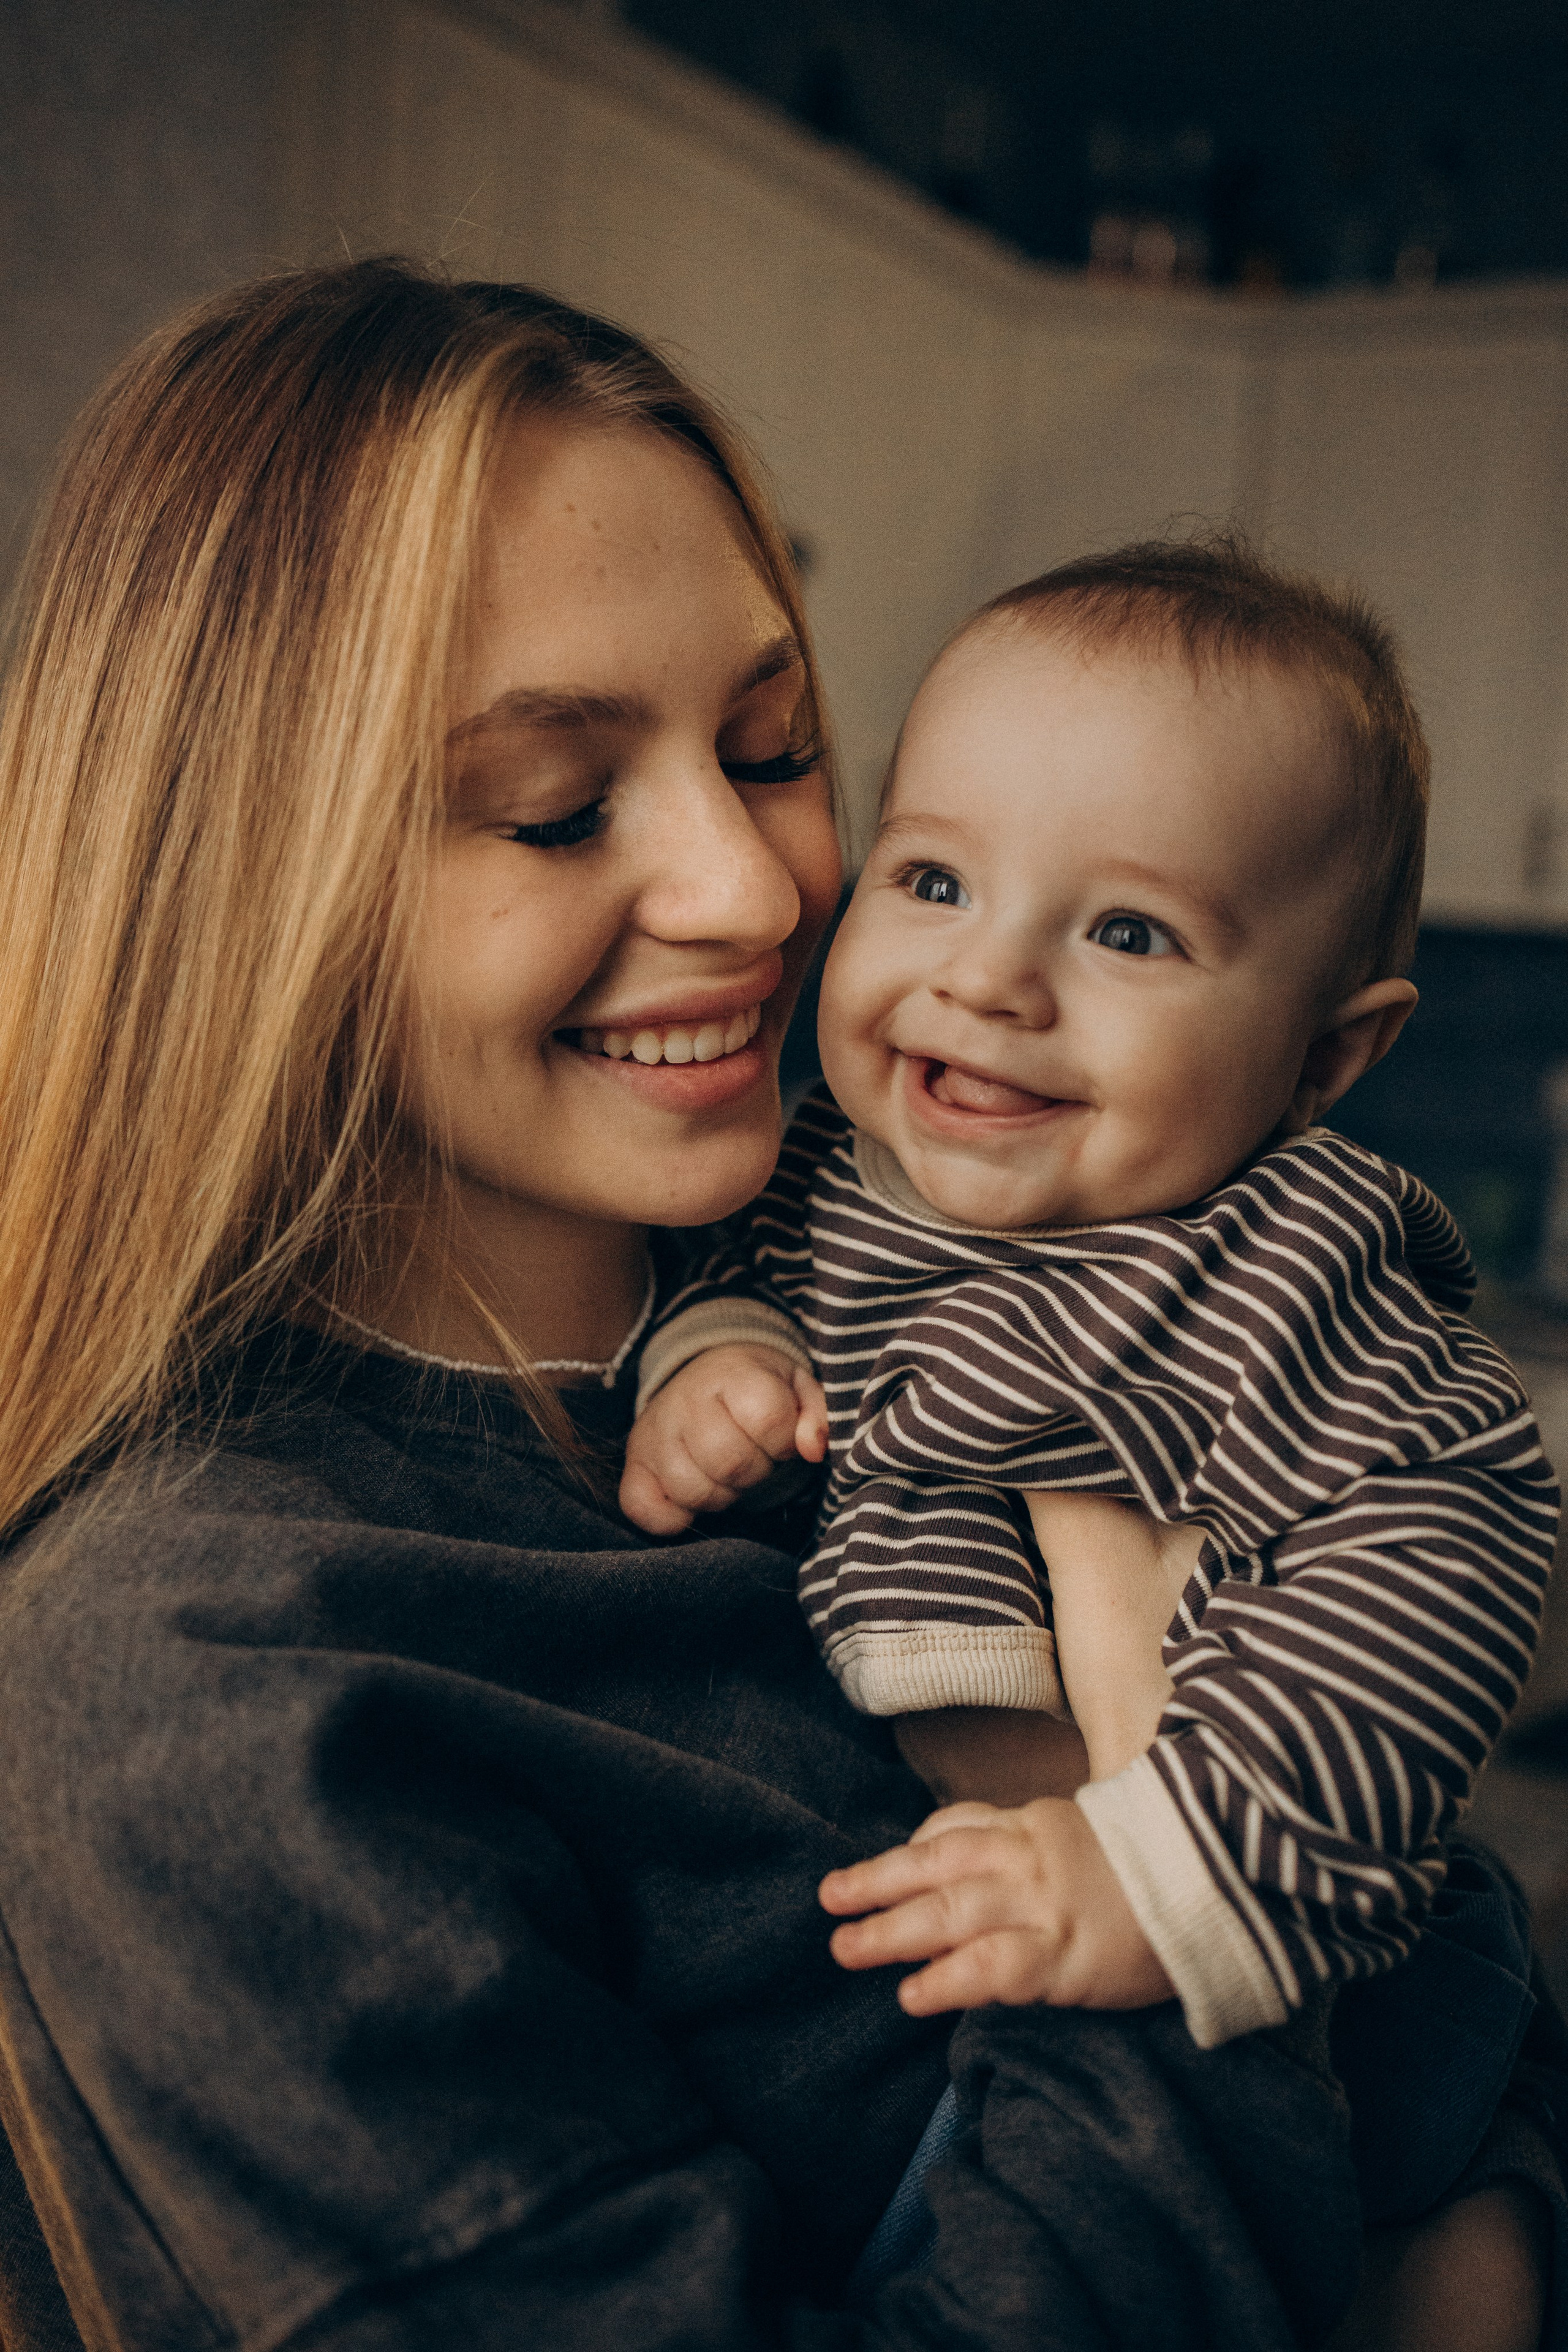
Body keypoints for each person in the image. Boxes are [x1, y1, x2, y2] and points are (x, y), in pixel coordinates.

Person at [0, 258, 1554, 2351]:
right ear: (241, 888)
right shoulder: (205, 1675)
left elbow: (1439, 1894)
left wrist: (1500, 2211)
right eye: (560, 806)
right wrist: (1126, 1822)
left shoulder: (933, 1274)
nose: (756, 890)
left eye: (773, 748)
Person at [619, 542, 1558, 2054]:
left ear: (1323, 1058)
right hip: (948, 1893)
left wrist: (1170, 1866)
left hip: (1243, 1952)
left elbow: (1438, 1530)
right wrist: (721, 1358)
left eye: (1127, 932)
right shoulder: (831, 1169)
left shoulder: (1278, 1269)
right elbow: (744, 1281)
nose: (988, 977)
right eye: (933, 881)